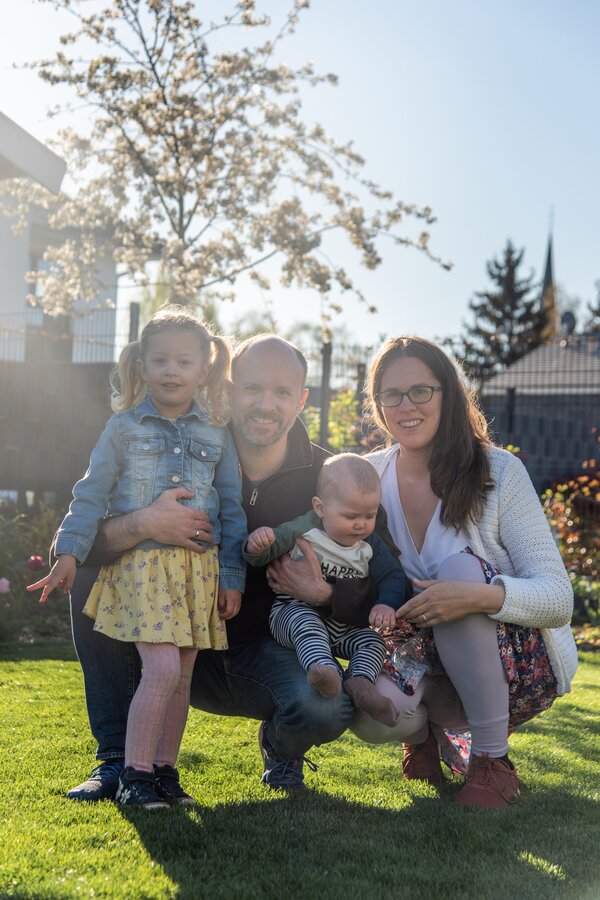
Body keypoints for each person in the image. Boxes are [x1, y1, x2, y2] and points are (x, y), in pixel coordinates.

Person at [61, 334, 370, 801]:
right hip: (172, 631)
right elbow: (79, 537)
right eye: (252, 388)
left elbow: (381, 577)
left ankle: (279, 747)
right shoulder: (177, 443)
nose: (266, 404)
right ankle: (116, 760)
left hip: (263, 652)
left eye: (282, 392)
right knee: (89, 572)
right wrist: (145, 523)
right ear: (227, 389)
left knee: (325, 709)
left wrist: (324, 594)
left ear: (301, 399)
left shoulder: (329, 477)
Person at [29, 306, 246, 809]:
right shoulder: (123, 427)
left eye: (184, 362)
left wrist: (232, 576)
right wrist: (68, 552)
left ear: (204, 369)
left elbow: (232, 508)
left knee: (182, 676)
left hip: (197, 571)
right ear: (143, 365)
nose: (172, 371)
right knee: (163, 670)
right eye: (161, 360)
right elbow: (90, 494)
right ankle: (134, 775)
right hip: (143, 570)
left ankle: (165, 774)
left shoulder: (217, 433)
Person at [350, 335, 578, 808]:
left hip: (512, 655)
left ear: (447, 393)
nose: (406, 405)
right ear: (378, 405)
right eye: (391, 394)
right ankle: (424, 739)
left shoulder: (498, 470)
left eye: (421, 391)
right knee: (373, 716)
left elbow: (558, 598)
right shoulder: (368, 476)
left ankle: (493, 763)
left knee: (460, 569)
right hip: (417, 651)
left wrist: (477, 596)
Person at [244, 453, 407, 727]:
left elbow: (392, 575)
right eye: (350, 516)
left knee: (373, 641)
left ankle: (361, 683)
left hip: (342, 627)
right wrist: (257, 546)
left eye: (370, 515)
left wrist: (385, 603)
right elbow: (270, 549)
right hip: (292, 613)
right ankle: (325, 671)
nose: (361, 524)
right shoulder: (306, 528)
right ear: (320, 507)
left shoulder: (370, 544)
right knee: (306, 623)